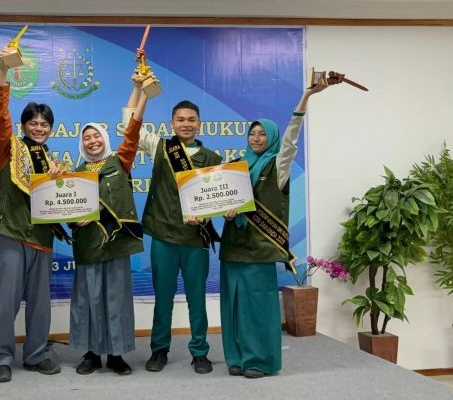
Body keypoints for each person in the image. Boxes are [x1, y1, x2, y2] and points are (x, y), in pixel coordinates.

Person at [219, 78, 329, 379]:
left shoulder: (278, 165)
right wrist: (225, 213)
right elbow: (221, 199)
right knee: (233, 304)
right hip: (233, 246)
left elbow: (291, 140)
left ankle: (260, 361)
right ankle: (237, 357)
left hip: (260, 248)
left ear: (271, 137)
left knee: (259, 306)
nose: (256, 138)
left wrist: (305, 99)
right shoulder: (236, 165)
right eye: (252, 133)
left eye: (262, 134)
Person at [122, 64, 222, 374]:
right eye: (181, 119)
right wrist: (138, 88)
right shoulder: (161, 147)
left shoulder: (213, 159)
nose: (186, 124)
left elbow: (218, 198)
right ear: (172, 123)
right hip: (164, 237)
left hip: (195, 239)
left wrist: (206, 214)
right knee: (162, 298)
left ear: (199, 124)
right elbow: (128, 123)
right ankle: (159, 349)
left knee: (197, 299)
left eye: (191, 120)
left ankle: (200, 351)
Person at [0, 46, 69, 383]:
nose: (39, 127)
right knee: (5, 301)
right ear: (23, 126)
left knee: (40, 303)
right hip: (10, 232)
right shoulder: (9, 147)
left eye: (44, 124)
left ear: (51, 129)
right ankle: (1, 357)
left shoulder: (53, 162)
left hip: (42, 237)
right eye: (33, 122)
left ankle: (35, 354)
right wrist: (3, 71)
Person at [69, 72, 152, 376]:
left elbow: (133, 130)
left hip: (116, 245)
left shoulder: (121, 162)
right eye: (87, 137)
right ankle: (91, 353)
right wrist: (74, 220)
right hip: (89, 245)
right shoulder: (75, 174)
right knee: (89, 300)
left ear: (105, 139)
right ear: (82, 144)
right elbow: (64, 208)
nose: (92, 141)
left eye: (97, 136)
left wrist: (141, 91)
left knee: (116, 300)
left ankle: (116, 354)